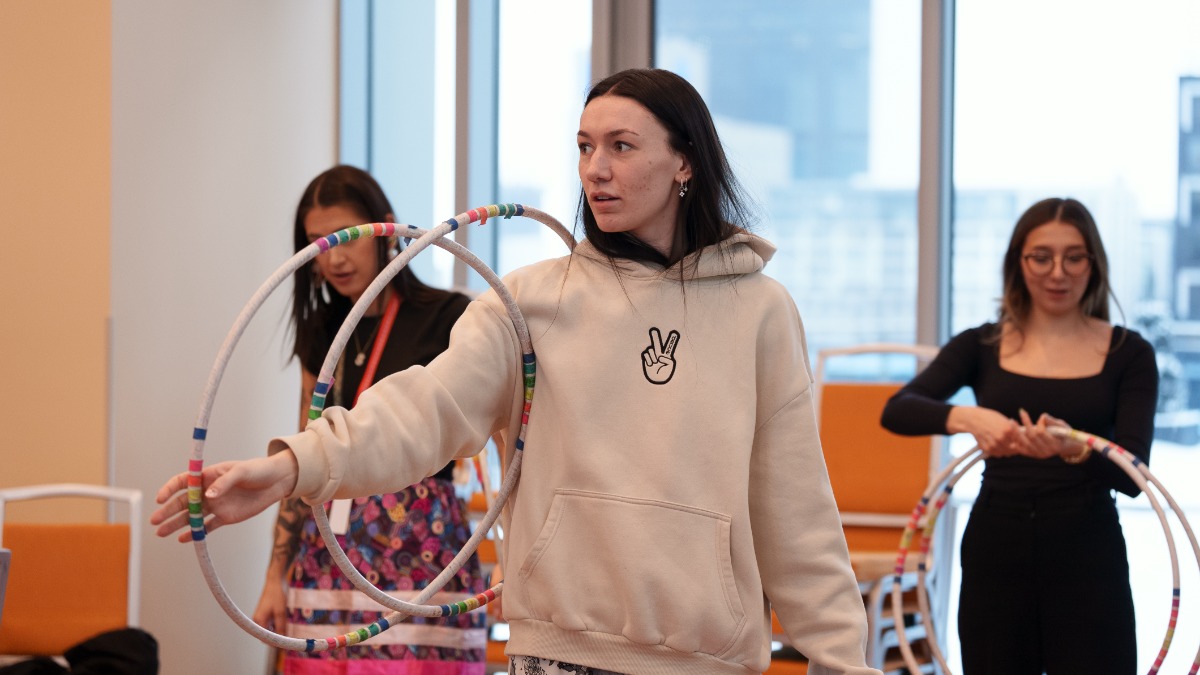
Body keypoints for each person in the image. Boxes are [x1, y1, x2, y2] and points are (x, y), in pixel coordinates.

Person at [154, 69, 880, 675]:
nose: (595, 168)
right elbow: (425, 408)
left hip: (707, 659)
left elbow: (797, 512)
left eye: (621, 146)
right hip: (554, 653)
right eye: (585, 146)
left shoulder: (759, 310)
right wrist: (290, 467)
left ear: (685, 161)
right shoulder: (531, 302)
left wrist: (842, 661)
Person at [880, 197, 1158, 674]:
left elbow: (1133, 474)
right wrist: (971, 419)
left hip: (1089, 549)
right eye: (1041, 257)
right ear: (1018, 262)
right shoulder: (981, 344)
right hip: (997, 546)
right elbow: (898, 410)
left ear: (1093, 263)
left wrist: (1074, 450)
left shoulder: (1129, 353)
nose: (1058, 273)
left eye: (1074, 257)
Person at [252, 165, 485, 674]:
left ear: (384, 227)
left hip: (422, 548)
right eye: (317, 243)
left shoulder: (448, 316)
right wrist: (275, 577)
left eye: (345, 237)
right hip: (328, 549)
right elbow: (305, 448)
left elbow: (499, 438)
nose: (333, 257)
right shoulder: (321, 330)